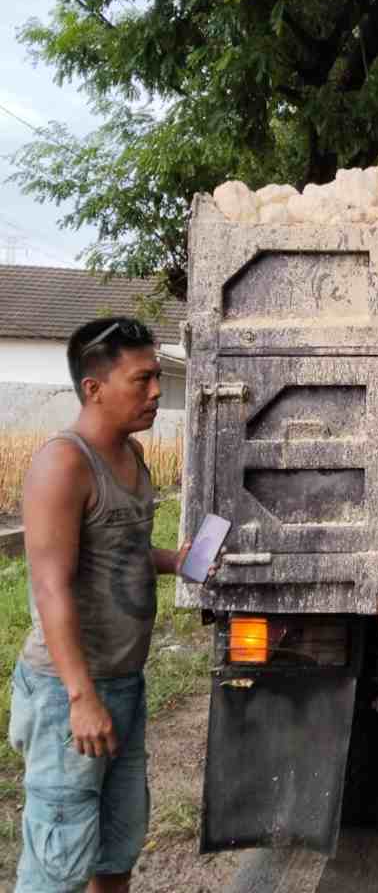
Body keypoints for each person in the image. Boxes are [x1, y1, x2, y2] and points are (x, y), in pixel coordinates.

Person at [8, 317, 215, 893]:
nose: (155, 392)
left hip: (123, 684)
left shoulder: (131, 455)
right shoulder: (64, 464)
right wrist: (80, 697)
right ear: (94, 387)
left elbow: (118, 546)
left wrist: (174, 560)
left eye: (155, 378)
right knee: (59, 861)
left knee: (116, 850)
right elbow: (50, 586)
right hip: (68, 691)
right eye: (142, 379)